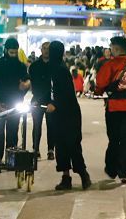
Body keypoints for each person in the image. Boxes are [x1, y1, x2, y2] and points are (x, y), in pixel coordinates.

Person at [93, 35, 126, 183]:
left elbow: (100, 84)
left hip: (114, 107)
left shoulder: (110, 64)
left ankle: (111, 168)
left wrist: (98, 92)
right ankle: (124, 173)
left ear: (115, 48)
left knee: (114, 139)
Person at [46, 41, 91, 190]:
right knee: (61, 146)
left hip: (69, 114)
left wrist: (55, 104)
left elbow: (65, 94)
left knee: (72, 145)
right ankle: (66, 177)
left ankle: (84, 174)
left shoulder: (61, 70)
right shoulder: (53, 68)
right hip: (59, 114)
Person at [28, 41, 54, 160]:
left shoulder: (56, 66)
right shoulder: (34, 66)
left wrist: (54, 102)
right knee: (36, 125)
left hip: (51, 101)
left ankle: (50, 150)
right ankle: (36, 149)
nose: (46, 50)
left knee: (51, 126)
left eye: (48, 48)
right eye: (44, 48)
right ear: (41, 49)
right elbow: (32, 84)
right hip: (37, 99)